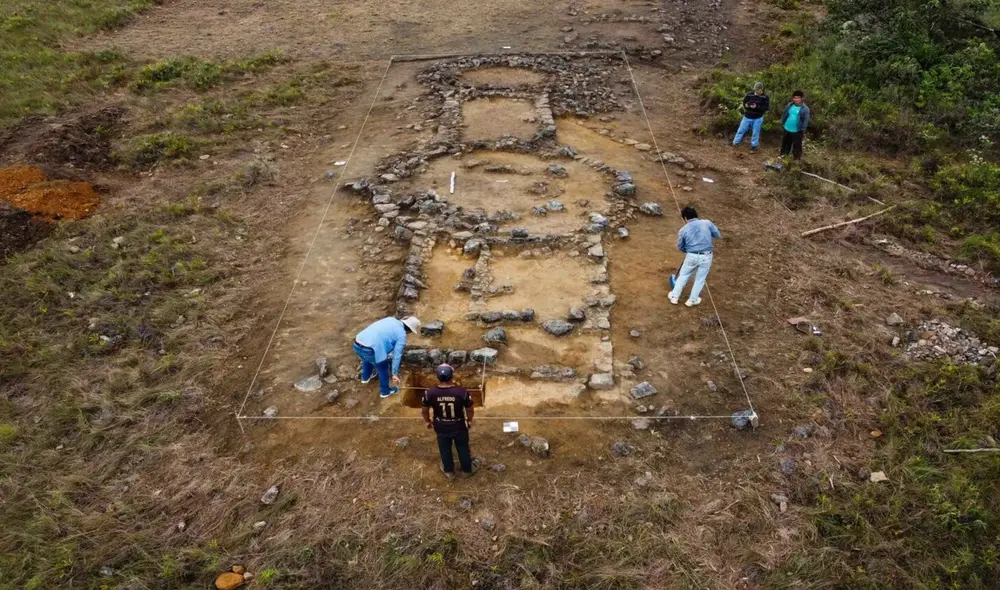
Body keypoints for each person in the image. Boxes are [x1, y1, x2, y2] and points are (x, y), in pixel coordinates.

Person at [422, 364, 475, 480]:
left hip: (441, 426)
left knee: (444, 448)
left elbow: (425, 410)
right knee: (462, 447)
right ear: (452, 377)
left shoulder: (429, 393)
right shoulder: (461, 392)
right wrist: (469, 420)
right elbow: (470, 409)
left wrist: (428, 421)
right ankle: (467, 471)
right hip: (459, 426)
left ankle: (449, 471)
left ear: (437, 377)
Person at [353, 316, 421, 398]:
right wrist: (394, 374)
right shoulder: (402, 335)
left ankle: (365, 378)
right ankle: (385, 391)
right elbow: (397, 355)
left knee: (366, 358)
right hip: (371, 349)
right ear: (409, 330)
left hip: (357, 342)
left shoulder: (391, 319)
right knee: (383, 368)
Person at [668, 207, 721, 307]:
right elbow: (717, 235)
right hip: (706, 255)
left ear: (685, 218)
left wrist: (687, 251)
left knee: (683, 275)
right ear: (696, 215)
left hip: (691, 255)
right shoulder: (707, 223)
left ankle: (674, 297)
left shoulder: (683, 230)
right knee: (700, 279)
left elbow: (680, 246)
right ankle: (692, 300)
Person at [732, 81, 769, 153]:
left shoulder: (765, 97)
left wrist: (757, 107)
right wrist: (746, 105)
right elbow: (744, 102)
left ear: (762, 89)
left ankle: (754, 146)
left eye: (759, 90)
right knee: (741, 130)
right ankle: (735, 142)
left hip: (758, 118)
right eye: (756, 90)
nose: (757, 91)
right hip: (747, 116)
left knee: (755, 132)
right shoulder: (749, 95)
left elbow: (766, 108)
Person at [779, 90, 810, 161]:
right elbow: (785, 113)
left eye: (798, 98)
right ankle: (783, 155)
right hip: (787, 128)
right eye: (795, 98)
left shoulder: (805, 109)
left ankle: (796, 159)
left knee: (797, 146)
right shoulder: (790, 105)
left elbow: (806, 120)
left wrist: (802, 129)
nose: (796, 99)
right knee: (786, 143)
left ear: (802, 98)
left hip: (797, 130)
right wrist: (782, 122)